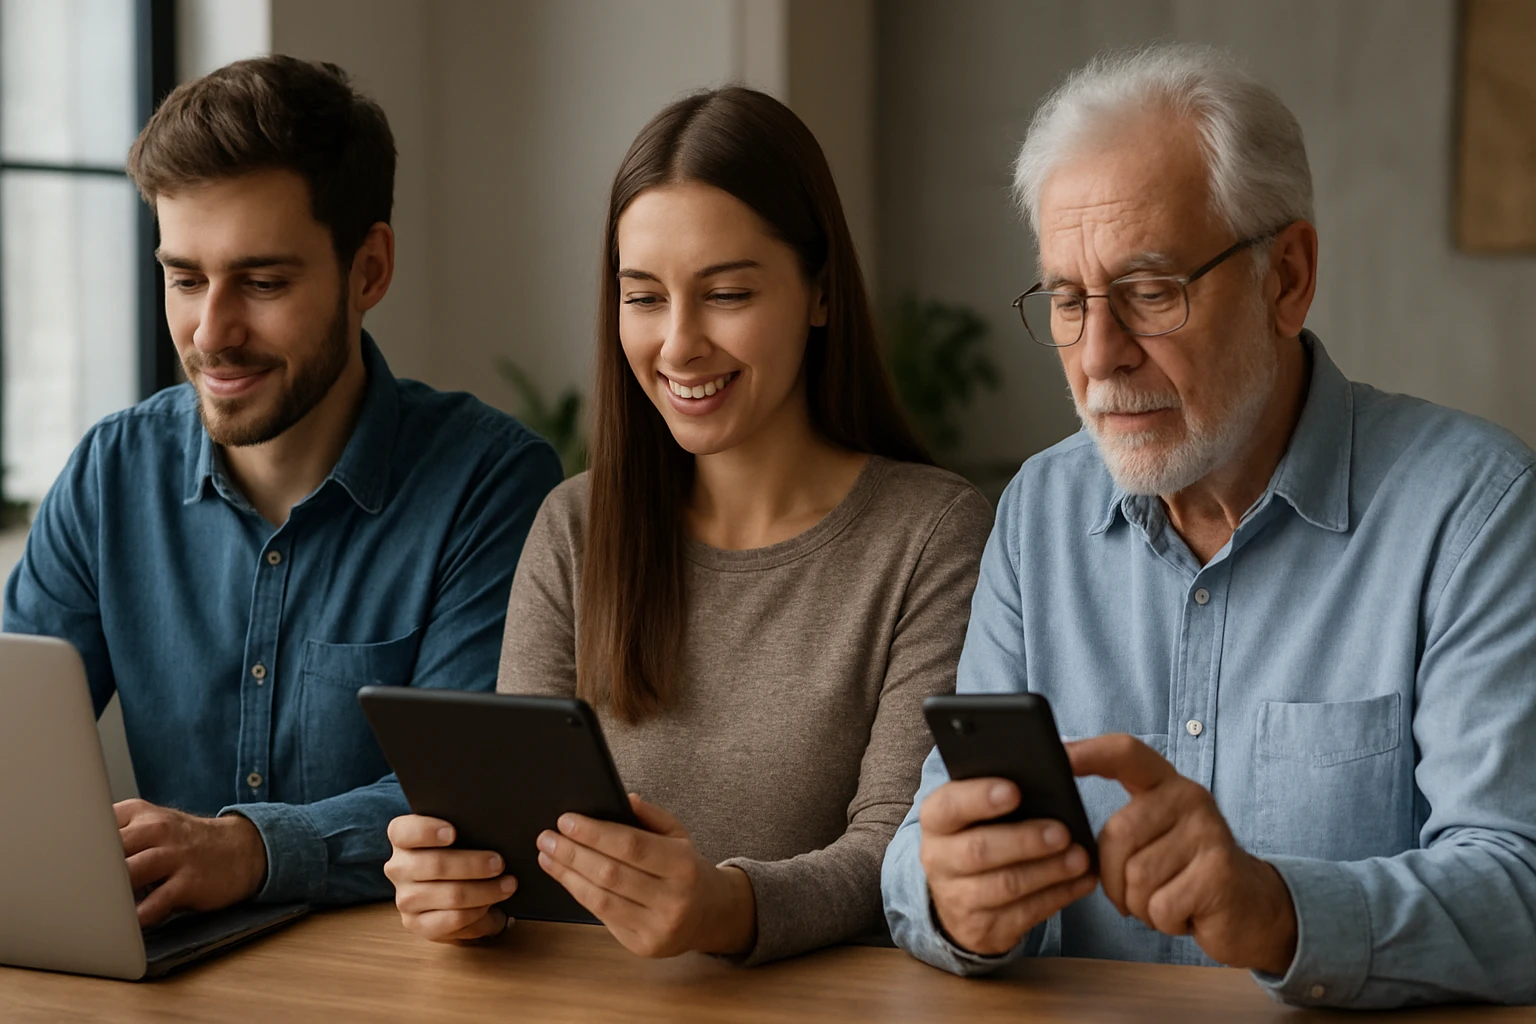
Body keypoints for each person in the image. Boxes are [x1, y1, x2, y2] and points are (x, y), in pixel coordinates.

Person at [882, 43, 1536, 1009]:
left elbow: (1519, 884)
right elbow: (923, 841)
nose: (1100, 357)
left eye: (1150, 293)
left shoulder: (1472, 511)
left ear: (1288, 278)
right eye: (1069, 300)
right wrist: (953, 900)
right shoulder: (1038, 514)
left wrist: (1281, 909)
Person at [383, 86, 993, 965]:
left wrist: (729, 908)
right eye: (644, 298)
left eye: (727, 294)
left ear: (821, 294)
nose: (678, 345)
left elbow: (897, 861)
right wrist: (465, 887)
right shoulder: (575, 527)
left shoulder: (930, 534)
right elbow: (520, 836)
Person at [2, 56, 562, 925]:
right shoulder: (110, 474)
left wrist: (250, 850)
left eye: (262, 283)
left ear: (368, 270)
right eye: (184, 279)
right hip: (173, 973)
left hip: (402, 979)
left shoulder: (491, 486)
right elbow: (13, 753)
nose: (211, 332)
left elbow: (468, 807)